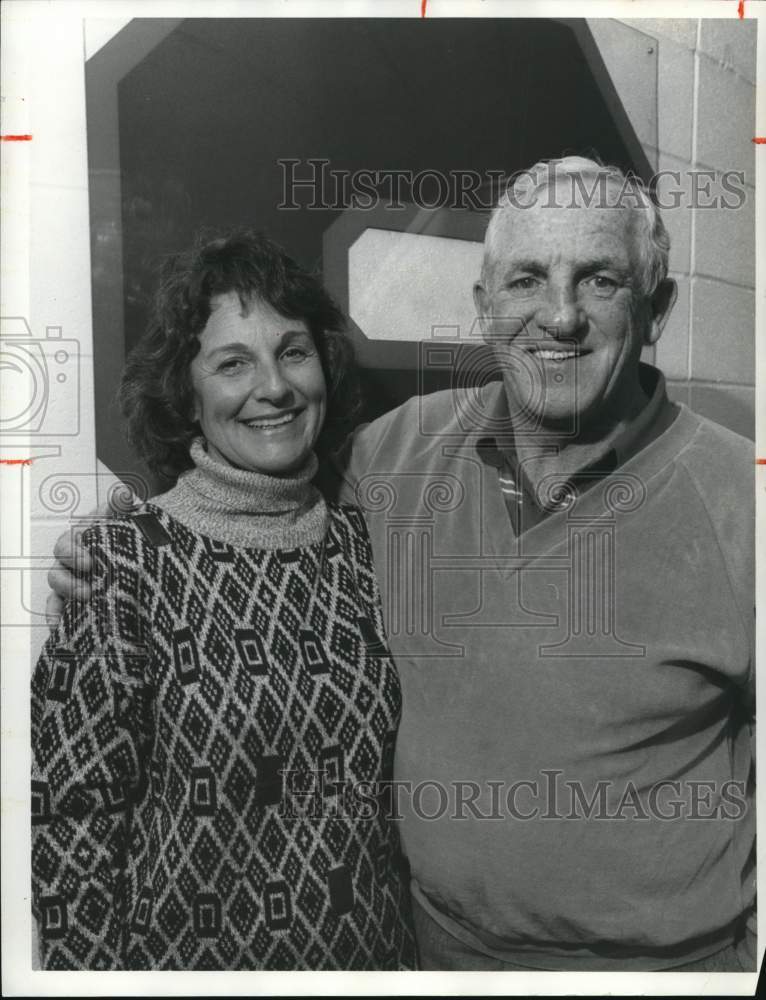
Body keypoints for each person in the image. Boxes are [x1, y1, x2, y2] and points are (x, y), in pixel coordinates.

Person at [47, 158, 756, 972]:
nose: (559, 316)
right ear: (486, 309)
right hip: (426, 956)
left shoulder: (742, 500)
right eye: (527, 279)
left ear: (656, 307)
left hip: (663, 975)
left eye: (600, 279)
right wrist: (121, 534)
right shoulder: (397, 453)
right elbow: (257, 493)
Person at [32, 230, 416, 970]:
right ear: (188, 389)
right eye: (232, 362)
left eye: (293, 352)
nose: (273, 387)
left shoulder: (368, 552)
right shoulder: (121, 567)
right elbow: (72, 843)